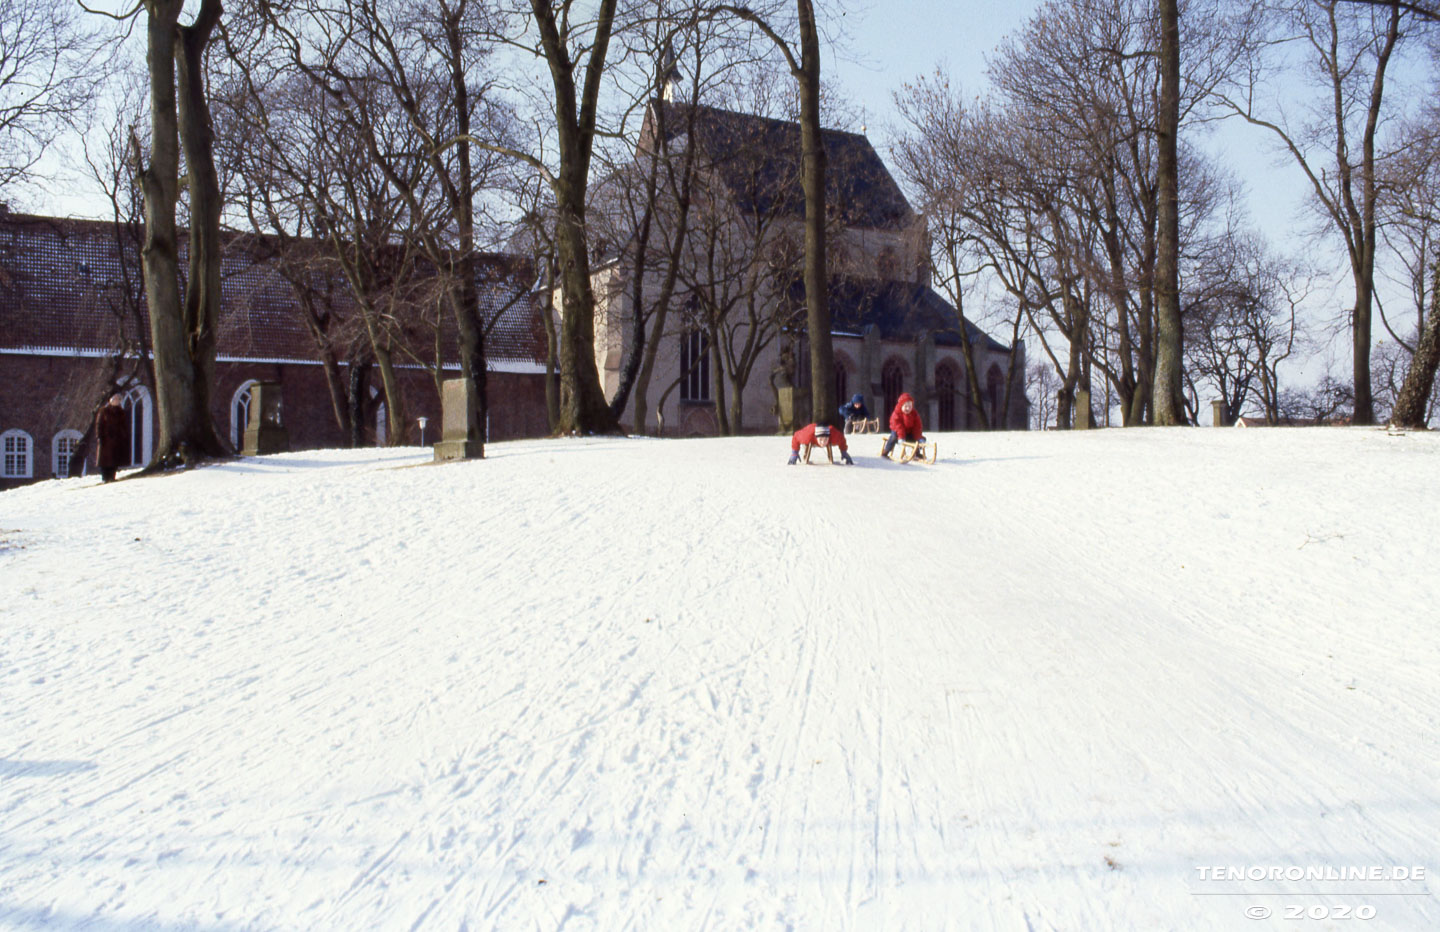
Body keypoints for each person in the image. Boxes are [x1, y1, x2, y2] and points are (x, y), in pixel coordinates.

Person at [95, 392, 129, 483]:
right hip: (106, 439)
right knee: (104, 459)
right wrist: (99, 436)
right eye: (114, 399)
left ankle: (112, 476)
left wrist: (124, 435)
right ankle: (105, 477)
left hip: (117, 439)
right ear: (110, 400)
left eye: (118, 399)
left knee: (115, 459)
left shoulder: (121, 412)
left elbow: (123, 425)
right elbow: (99, 424)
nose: (116, 401)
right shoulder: (104, 411)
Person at [881, 392, 925, 459]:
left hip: (908, 432)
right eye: (905, 406)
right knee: (893, 437)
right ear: (901, 406)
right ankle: (886, 451)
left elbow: (917, 427)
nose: (908, 408)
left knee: (916, 439)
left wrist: (918, 437)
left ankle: (916, 453)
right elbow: (899, 426)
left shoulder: (914, 414)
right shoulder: (897, 413)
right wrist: (901, 437)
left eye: (910, 406)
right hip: (897, 431)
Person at [787, 422, 853, 465]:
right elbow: (796, 436)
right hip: (810, 430)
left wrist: (844, 451)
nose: (823, 443)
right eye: (820, 439)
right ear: (816, 437)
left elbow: (842, 440)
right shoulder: (807, 436)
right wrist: (794, 453)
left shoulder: (834, 435)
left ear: (829, 437)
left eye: (825, 439)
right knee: (806, 441)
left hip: (829, 430)